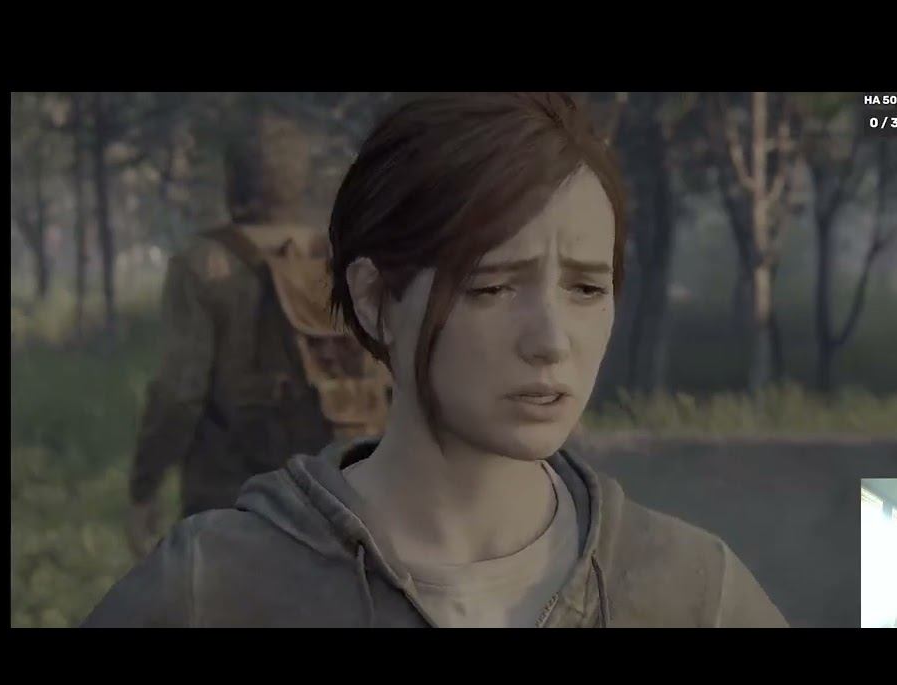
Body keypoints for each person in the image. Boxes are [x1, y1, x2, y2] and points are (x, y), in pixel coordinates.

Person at [84, 92, 787, 628]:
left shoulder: (693, 594)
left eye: (585, 288)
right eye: (491, 286)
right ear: (374, 300)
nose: (551, 340)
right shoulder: (214, 587)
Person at [124, 111, 389, 558]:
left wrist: (144, 487)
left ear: (233, 180)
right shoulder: (342, 259)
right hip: (339, 498)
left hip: (232, 502)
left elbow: (179, 394)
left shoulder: (203, 266)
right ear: (299, 180)